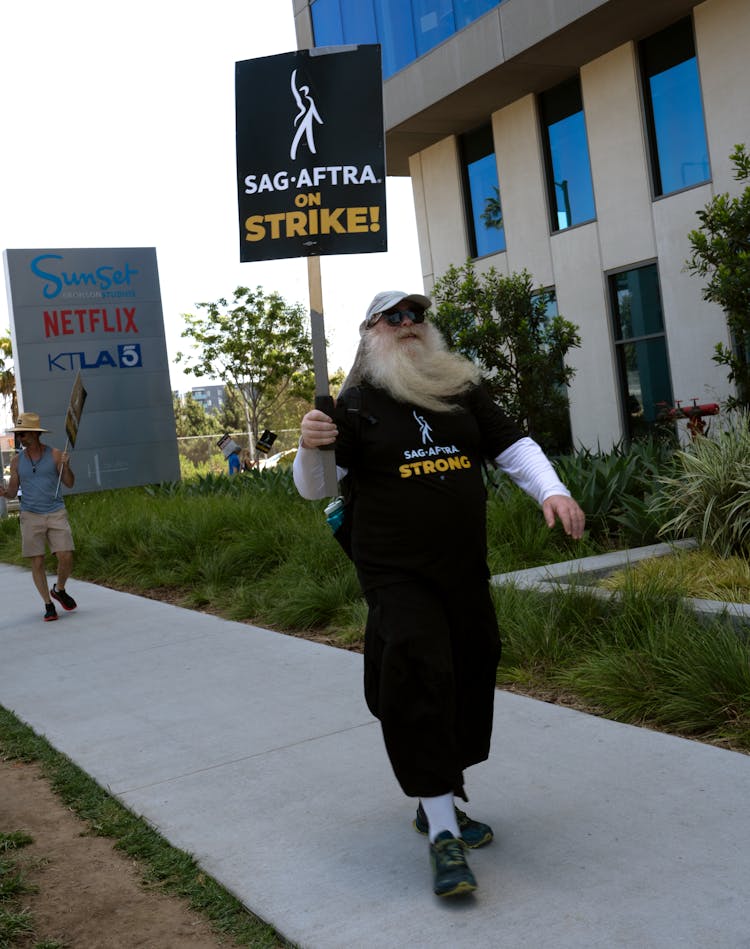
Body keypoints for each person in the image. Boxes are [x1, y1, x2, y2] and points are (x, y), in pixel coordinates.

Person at [293, 290, 585, 898]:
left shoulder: (458, 388)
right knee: (420, 672)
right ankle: (444, 837)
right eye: (392, 317)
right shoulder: (353, 405)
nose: (407, 324)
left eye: (416, 315)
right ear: (370, 331)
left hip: (462, 568)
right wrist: (309, 444)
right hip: (395, 573)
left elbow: (511, 446)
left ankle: (438, 798)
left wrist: (551, 491)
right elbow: (317, 488)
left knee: (471, 669)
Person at [0, 412, 78, 622]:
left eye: (23, 434)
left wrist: (66, 466)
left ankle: (59, 589)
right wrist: (4, 492)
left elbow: (69, 483)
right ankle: (48, 604)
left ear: (35, 434)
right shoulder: (16, 462)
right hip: (30, 515)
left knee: (66, 555)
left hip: (55, 511)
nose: (20, 438)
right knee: (37, 561)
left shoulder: (54, 455)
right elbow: (13, 491)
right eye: (18, 434)